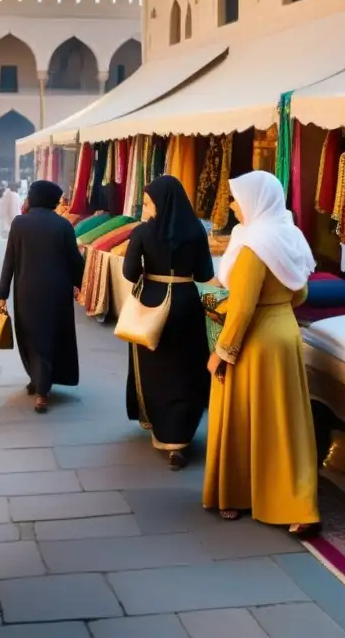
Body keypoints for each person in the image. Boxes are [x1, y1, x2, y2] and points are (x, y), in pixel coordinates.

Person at [203, 171, 319, 535]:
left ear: (255, 200)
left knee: (242, 415)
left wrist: (222, 352)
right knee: (286, 424)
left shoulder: (254, 244)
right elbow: (301, 293)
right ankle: (297, 503)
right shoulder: (289, 234)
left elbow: (242, 308)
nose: (234, 206)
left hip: (255, 339)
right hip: (285, 332)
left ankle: (237, 495)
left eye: (237, 199)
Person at [122, 175, 214, 471]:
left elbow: (129, 271)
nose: (145, 207)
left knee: (155, 368)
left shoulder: (143, 232)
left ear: (161, 203)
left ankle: (163, 433)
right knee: (186, 368)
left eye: (148, 202)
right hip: (187, 302)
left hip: (153, 301)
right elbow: (204, 273)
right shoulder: (196, 229)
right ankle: (182, 436)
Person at [0, 180, 84, 413]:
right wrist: (79, 284)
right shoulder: (63, 225)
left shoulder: (20, 223)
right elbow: (75, 261)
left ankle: (41, 390)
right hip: (57, 290)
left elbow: (10, 261)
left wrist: (2, 294)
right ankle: (40, 380)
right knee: (51, 335)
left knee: (32, 336)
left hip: (27, 290)